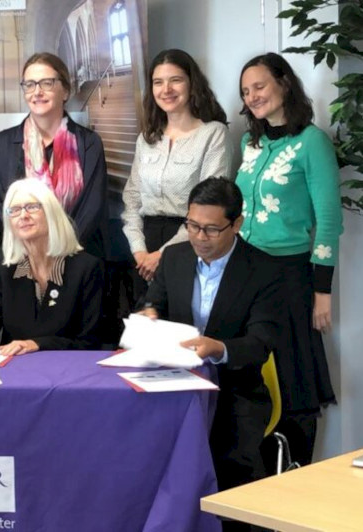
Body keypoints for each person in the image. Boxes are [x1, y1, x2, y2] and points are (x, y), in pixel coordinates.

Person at [142, 178, 283, 528]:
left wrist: (219, 348)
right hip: (176, 386)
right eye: (192, 226)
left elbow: (262, 341)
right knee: (140, 450)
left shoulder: (263, 270)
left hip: (236, 391)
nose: (199, 237)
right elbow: (153, 303)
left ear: (236, 224)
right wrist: (148, 316)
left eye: (211, 229)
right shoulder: (174, 257)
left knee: (229, 463)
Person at [237, 52, 343, 468]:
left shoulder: (312, 142)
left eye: (259, 86)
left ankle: (294, 475)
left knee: (291, 380)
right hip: (246, 273)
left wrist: (322, 291)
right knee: (252, 380)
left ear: (284, 83)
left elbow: (329, 220)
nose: (252, 97)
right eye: (246, 92)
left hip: (289, 277)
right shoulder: (251, 142)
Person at [0, 178, 104, 361]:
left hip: (66, 369)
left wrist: (38, 344)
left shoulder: (86, 267)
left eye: (32, 207)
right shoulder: (0, 263)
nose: (23, 215)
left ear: (51, 213)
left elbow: (91, 341)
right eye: (14, 210)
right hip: (17, 370)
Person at [122, 49, 232, 305]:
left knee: (181, 330)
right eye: (158, 82)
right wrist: (140, 251)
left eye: (176, 80)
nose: (166, 89)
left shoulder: (212, 134)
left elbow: (210, 207)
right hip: (144, 248)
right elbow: (132, 201)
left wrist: (162, 255)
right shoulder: (146, 139)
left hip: (191, 242)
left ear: (192, 83)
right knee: (143, 329)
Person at [0, 52, 109, 260]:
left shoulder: (89, 143)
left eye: (47, 83)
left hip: (77, 257)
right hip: (23, 257)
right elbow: (2, 206)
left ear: (65, 91)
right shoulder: (2, 144)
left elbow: (91, 207)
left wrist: (60, 249)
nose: (37, 92)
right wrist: (32, 248)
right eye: (30, 84)